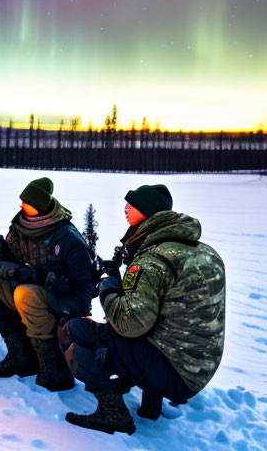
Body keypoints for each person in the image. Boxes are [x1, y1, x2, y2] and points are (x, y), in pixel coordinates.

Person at [63, 184, 226, 435]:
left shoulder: (153, 258)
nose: (126, 209)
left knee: (81, 332)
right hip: (198, 366)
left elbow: (129, 324)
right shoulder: (202, 251)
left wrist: (108, 284)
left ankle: (113, 415)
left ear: (148, 213)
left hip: (174, 371)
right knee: (140, 331)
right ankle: (151, 407)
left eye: (133, 205)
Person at [0, 176, 93, 391]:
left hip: (56, 304)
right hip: (27, 295)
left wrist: (50, 282)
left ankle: (51, 368)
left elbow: (83, 296)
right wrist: (9, 267)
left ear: (39, 206)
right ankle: (19, 352)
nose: (22, 205)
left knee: (26, 293)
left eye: (27, 203)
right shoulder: (20, 226)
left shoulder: (68, 239)